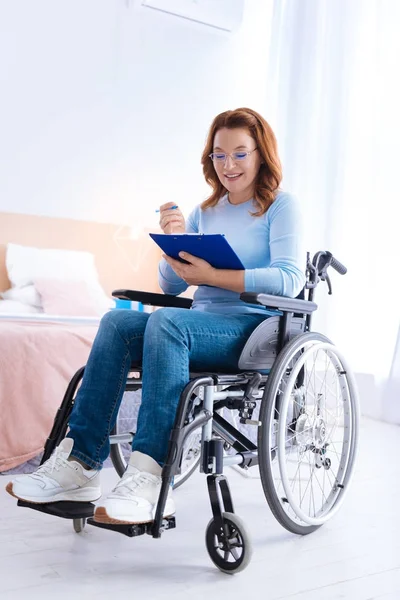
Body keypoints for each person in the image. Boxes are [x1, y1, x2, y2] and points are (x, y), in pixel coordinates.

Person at [6, 107, 305, 525]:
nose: (228, 165)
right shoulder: (206, 211)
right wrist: (175, 244)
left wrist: (216, 276)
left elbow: (289, 279)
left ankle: (150, 475)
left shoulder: (280, 206)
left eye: (240, 154)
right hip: (198, 324)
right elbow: (172, 287)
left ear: (261, 154)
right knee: (116, 322)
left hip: (252, 327)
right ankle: (80, 465)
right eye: (219, 155)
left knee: (167, 323)